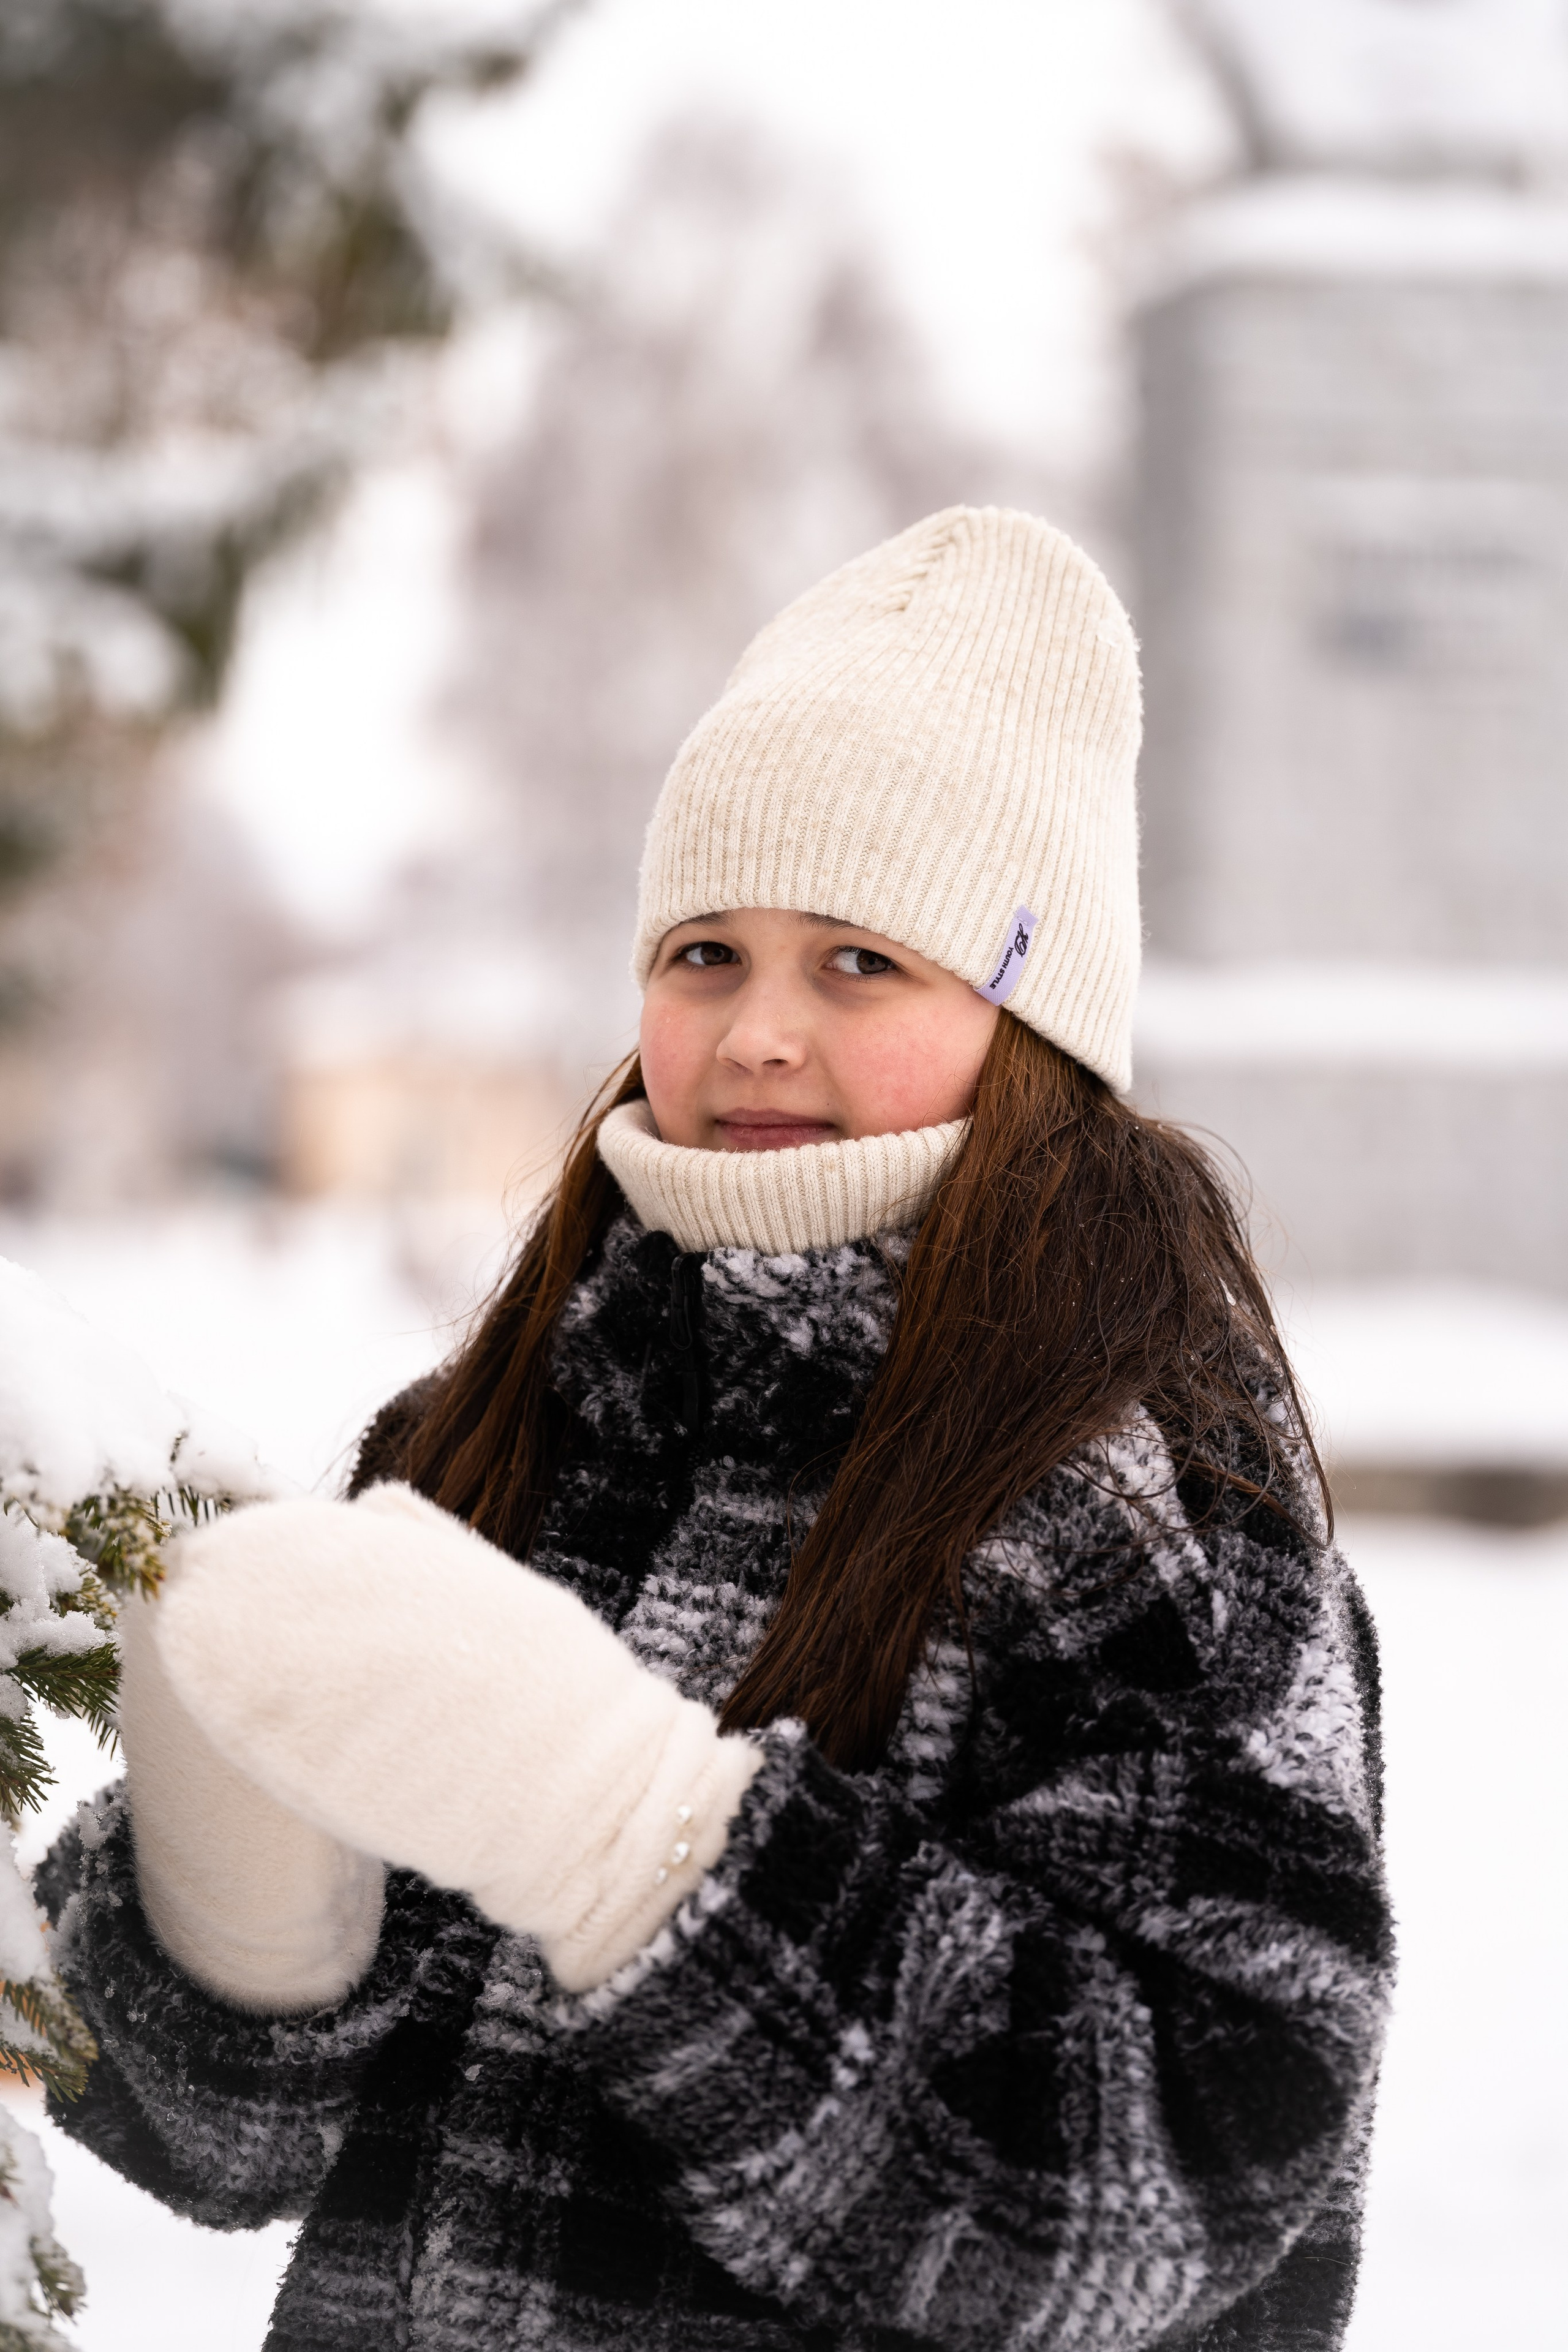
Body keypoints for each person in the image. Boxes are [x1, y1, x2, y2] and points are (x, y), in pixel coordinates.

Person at [40, 507, 1392, 2352]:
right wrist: (237, 1903)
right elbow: (232, 2147)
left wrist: (634, 1841)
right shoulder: (499, 1433)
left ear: (1031, 1014)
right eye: (704, 953)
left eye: (861, 962)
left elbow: (1177, 2181)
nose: (757, 1031)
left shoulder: (1136, 1494)